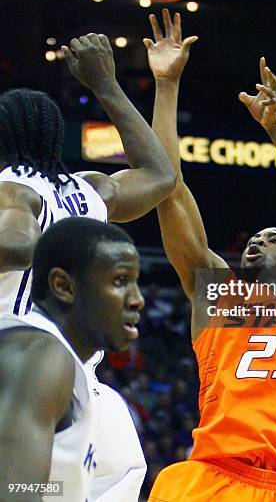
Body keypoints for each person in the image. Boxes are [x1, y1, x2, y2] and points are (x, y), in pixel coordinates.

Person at [146, 9, 276, 501]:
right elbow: (169, 191)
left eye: (275, 237)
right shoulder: (217, 295)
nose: (258, 240)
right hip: (210, 481)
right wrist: (167, 86)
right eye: (255, 237)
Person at [0, 33, 175, 500]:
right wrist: (106, 84)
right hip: (93, 408)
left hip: (20, 379)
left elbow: (17, 244)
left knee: (20, 489)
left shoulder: (10, 191)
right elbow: (161, 175)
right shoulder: (89, 191)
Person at [0, 216, 145, 501]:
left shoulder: (51, 357)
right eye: (119, 281)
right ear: (63, 286)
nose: (137, 299)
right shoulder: (41, 357)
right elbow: (12, 492)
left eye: (135, 282)